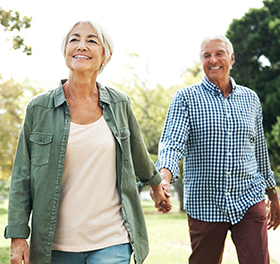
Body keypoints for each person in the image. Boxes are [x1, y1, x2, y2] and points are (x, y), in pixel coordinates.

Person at [4, 20, 172, 264]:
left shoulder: (119, 104)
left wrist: (157, 186)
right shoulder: (38, 108)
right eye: (74, 39)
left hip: (112, 239)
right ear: (65, 52)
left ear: (106, 56)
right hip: (56, 244)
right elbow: (22, 176)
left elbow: (138, 155)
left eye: (92, 40)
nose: (81, 45)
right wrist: (18, 236)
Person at [152, 34, 280, 264]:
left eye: (219, 53)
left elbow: (260, 149)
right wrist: (164, 178)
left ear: (231, 58)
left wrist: (272, 192)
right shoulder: (186, 98)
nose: (213, 60)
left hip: (249, 197)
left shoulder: (250, 99)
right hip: (205, 203)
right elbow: (172, 143)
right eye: (206, 55)